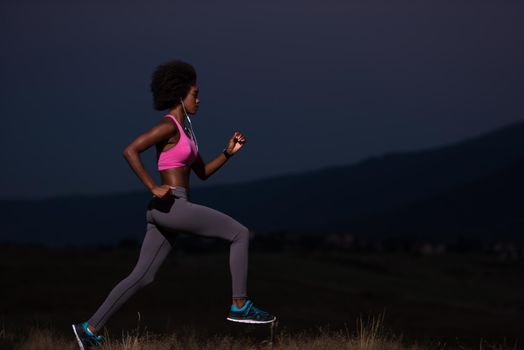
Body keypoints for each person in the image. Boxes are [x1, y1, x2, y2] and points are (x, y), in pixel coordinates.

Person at [72, 59, 276, 350]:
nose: (199, 99)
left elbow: (202, 173)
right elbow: (130, 150)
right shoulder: (168, 126)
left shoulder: (186, 132)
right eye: (195, 94)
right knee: (240, 233)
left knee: (143, 276)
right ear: (181, 94)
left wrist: (228, 153)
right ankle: (240, 305)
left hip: (165, 211)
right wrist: (153, 186)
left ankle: (89, 329)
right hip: (172, 205)